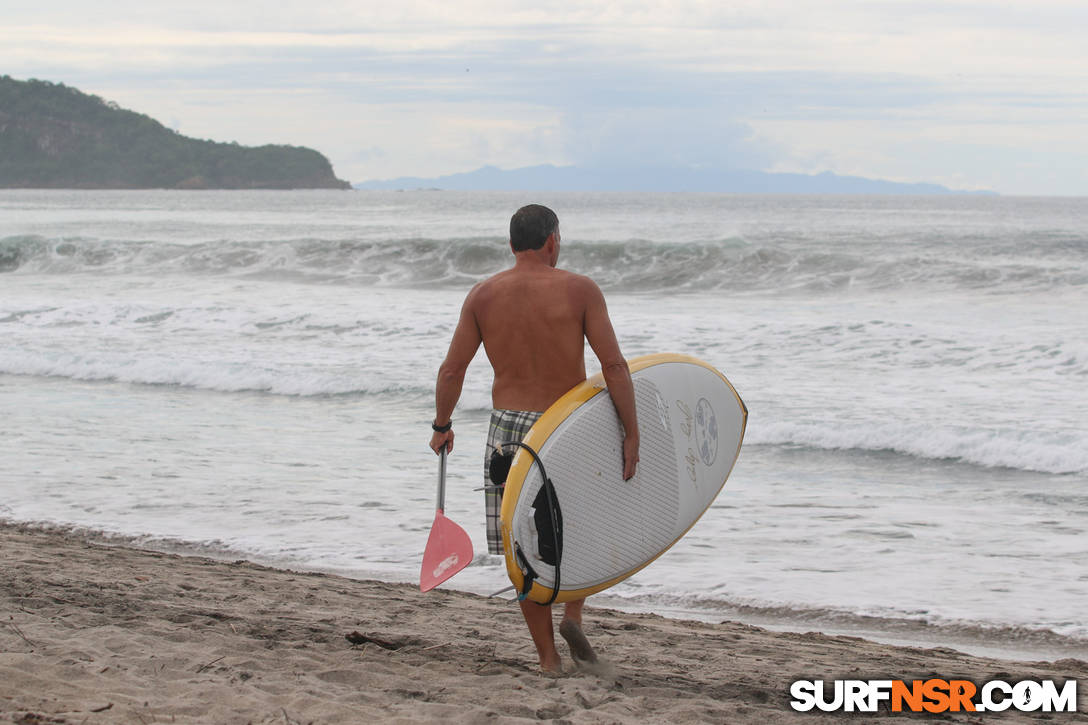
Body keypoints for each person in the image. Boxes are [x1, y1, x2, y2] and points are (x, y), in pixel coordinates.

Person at [428, 203, 640, 673]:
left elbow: (452, 369)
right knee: (580, 528)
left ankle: (548, 659)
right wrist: (632, 431)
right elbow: (615, 367)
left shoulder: (483, 295)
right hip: (568, 427)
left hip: (508, 433)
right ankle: (574, 613)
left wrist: (442, 425)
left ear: (511, 245)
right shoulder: (580, 290)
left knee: (522, 544)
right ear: (552, 241)